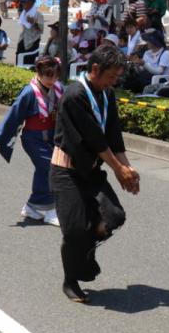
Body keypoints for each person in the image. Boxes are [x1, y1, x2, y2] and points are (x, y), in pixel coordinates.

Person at [50, 44, 140, 303]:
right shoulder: (74, 94)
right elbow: (95, 138)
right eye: (111, 76)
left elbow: (113, 134)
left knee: (114, 216)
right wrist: (118, 169)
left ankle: (85, 252)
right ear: (95, 69)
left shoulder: (106, 93)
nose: (114, 81)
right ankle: (71, 280)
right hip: (66, 171)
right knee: (75, 231)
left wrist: (127, 167)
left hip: (92, 170)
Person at [0, 56, 63, 226]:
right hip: (33, 139)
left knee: (45, 169)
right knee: (50, 168)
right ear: (39, 73)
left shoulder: (58, 88)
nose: (52, 80)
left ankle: (31, 207)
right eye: (48, 76)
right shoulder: (29, 92)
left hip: (51, 136)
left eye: (55, 76)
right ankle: (50, 211)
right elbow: (13, 116)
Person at [123, 29, 169, 94]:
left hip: (159, 80)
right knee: (130, 78)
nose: (147, 43)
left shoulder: (165, 53)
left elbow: (159, 71)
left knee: (137, 82)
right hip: (146, 78)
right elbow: (142, 70)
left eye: (148, 41)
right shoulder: (147, 53)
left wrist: (144, 64)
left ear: (154, 42)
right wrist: (137, 64)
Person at [15, 0, 43, 65]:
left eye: (25, 2)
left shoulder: (38, 14)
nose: (23, 4)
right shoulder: (23, 13)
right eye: (23, 2)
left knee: (29, 60)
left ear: (31, 3)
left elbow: (40, 29)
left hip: (33, 40)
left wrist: (33, 22)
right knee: (19, 57)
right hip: (23, 38)